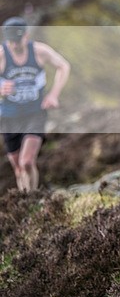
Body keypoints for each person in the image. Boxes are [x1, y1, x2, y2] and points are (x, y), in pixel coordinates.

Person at [0, 17, 70, 191]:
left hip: (35, 113)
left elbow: (63, 66)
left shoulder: (39, 51)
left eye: (17, 40)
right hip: (9, 117)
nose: (14, 45)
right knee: (17, 167)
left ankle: (31, 200)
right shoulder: (2, 55)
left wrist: (53, 95)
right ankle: (25, 203)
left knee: (27, 162)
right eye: (10, 42)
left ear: (26, 36)